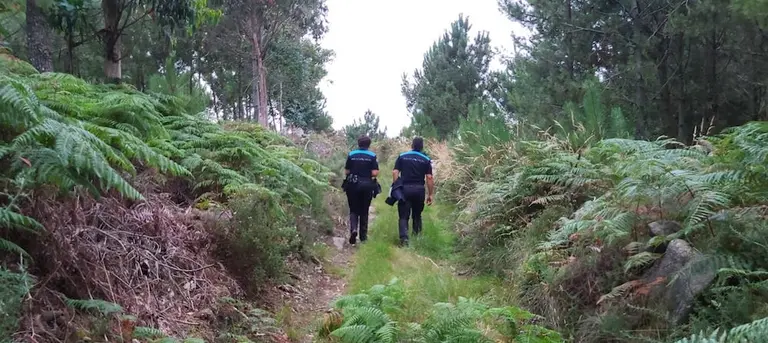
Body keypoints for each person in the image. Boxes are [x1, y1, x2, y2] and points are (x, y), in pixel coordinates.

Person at [392, 137, 434, 247]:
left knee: (403, 216)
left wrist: (396, 186)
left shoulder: (402, 156)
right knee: (417, 214)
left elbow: (395, 172)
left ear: (412, 145)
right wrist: (430, 194)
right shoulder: (426, 159)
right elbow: (429, 177)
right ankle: (417, 237)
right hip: (419, 189)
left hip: (405, 189)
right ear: (422, 146)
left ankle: (404, 239)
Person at [342, 135, 379, 245]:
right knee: (364, 210)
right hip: (367, 185)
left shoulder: (351, 154)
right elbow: (375, 173)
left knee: (353, 209)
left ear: (358, 143)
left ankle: (353, 229)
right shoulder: (372, 156)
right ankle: (363, 237)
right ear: (369, 144)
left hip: (352, 185)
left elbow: (346, 171)